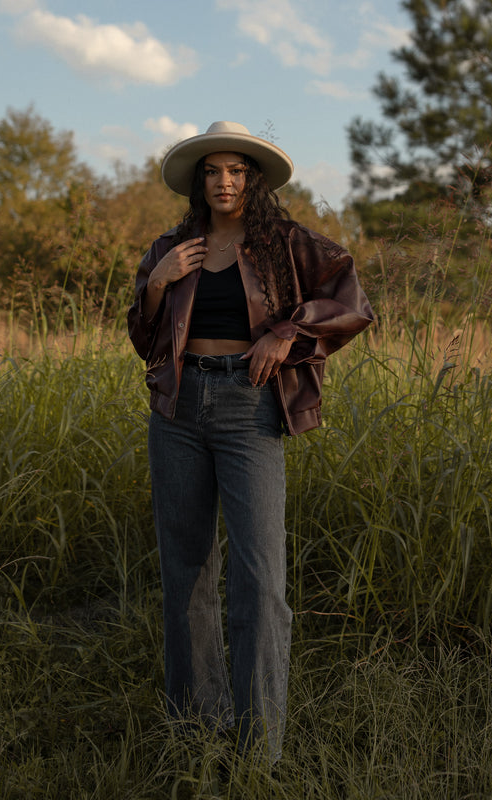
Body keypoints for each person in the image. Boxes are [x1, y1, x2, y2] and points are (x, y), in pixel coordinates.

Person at [127, 121, 373, 762]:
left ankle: (258, 749)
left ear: (252, 179)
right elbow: (144, 339)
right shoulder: (173, 246)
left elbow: (351, 302)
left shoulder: (285, 244)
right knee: (186, 572)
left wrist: (285, 333)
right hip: (177, 411)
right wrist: (156, 285)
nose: (225, 181)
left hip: (249, 411)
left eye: (236, 170)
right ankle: (193, 730)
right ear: (199, 182)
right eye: (213, 171)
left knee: (260, 578)